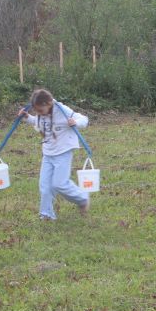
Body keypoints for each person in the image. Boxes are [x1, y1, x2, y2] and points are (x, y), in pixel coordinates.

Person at [18, 89, 90, 220]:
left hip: (63, 151)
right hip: (48, 152)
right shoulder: (41, 112)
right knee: (45, 186)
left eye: (40, 110)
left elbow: (83, 119)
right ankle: (46, 214)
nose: (38, 113)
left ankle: (82, 199)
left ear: (49, 103)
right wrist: (27, 117)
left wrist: (76, 122)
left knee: (60, 184)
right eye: (36, 111)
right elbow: (39, 122)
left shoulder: (62, 110)